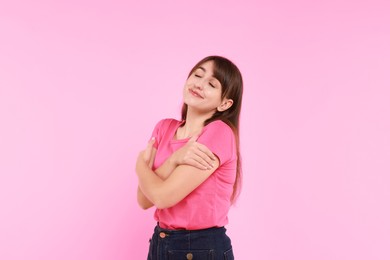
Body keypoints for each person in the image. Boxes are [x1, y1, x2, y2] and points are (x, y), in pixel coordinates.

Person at [136, 55, 243, 260]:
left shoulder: (219, 133)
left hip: (200, 249)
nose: (199, 84)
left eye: (211, 84)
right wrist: (173, 160)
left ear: (224, 103)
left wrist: (140, 167)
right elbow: (143, 200)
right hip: (160, 242)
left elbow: (161, 197)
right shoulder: (164, 128)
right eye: (197, 75)